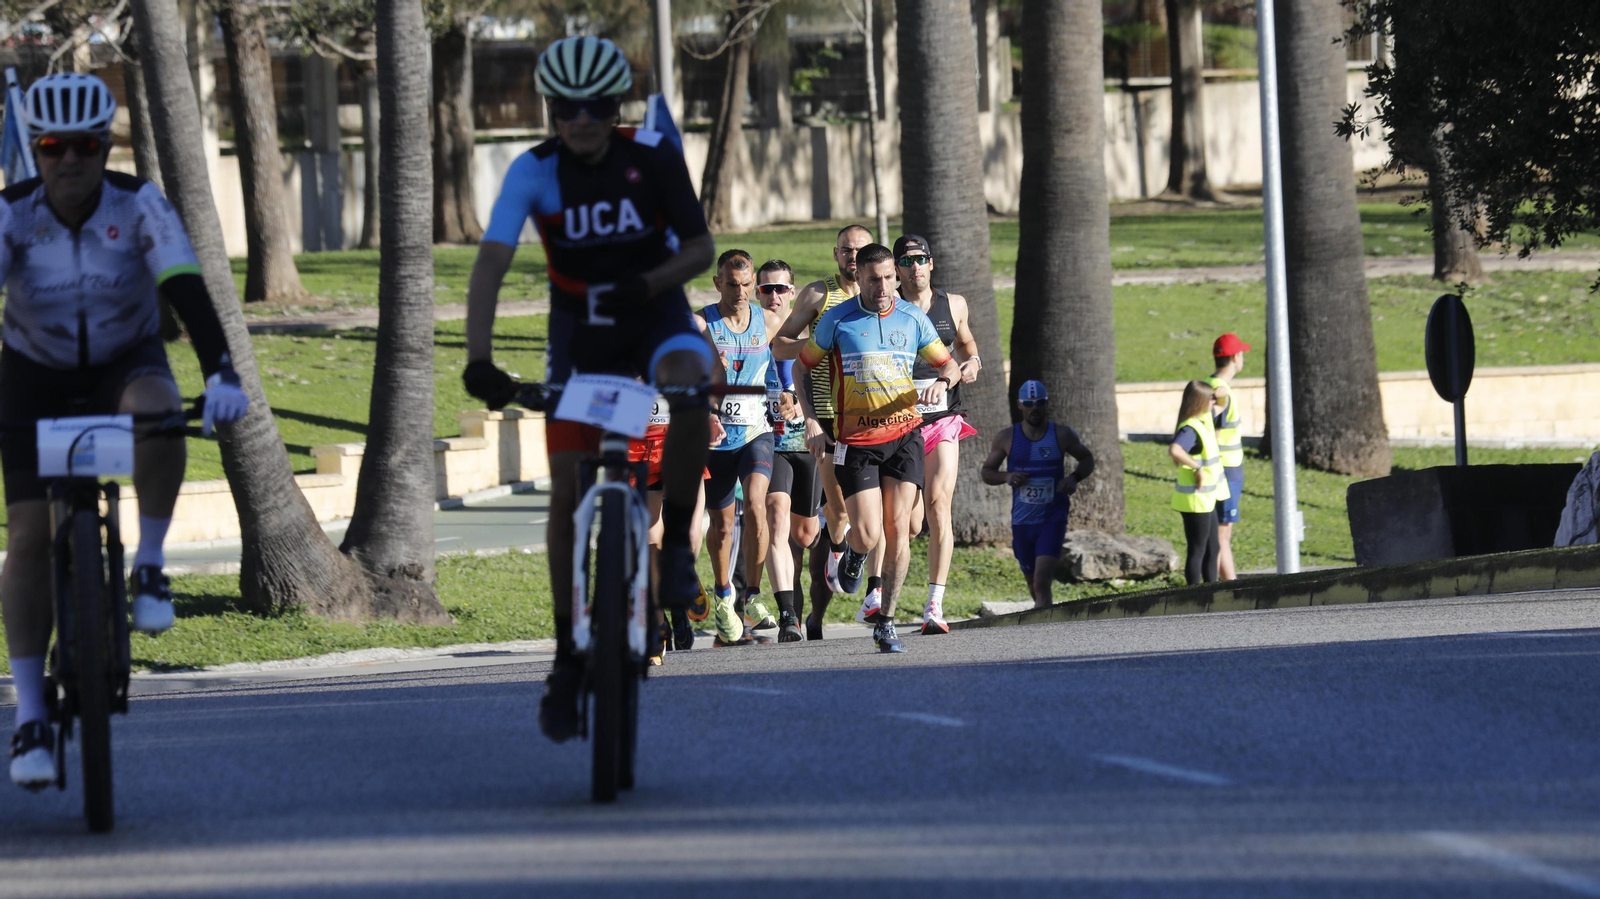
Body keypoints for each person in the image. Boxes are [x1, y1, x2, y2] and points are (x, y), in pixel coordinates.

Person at [464, 36, 717, 742]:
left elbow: (699, 249)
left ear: (616, 110)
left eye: (596, 107)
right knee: (569, 486)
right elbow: (489, 264)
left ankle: (676, 554)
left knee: (693, 381)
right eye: (565, 107)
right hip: (580, 330)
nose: (580, 118)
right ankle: (565, 655)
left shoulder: (653, 159)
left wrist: (646, 283)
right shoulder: (533, 171)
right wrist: (478, 358)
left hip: (655, 309)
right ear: (551, 109)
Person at [2, 73, 249, 788]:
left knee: (157, 407)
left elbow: (184, 285)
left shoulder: (139, 204)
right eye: (53, 147)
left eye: (86, 145)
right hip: (34, 372)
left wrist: (223, 372)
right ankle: (28, 719)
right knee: (25, 539)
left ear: (104, 145)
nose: (70, 161)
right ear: (35, 150)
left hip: (122, 360)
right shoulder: (11, 215)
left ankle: (147, 562)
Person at [796, 244, 960, 653]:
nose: (884, 286)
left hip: (905, 438)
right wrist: (812, 419)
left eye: (890, 277)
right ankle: (853, 553)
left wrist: (944, 380)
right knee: (868, 533)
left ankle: (886, 621)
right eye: (874, 279)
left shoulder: (912, 317)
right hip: (856, 441)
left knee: (900, 528)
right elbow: (802, 366)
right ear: (861, 278)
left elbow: (949, 364)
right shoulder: (837, 319)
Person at [770, 224, 873, 595]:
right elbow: (779, 346)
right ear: (836, 254)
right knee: (840, 508)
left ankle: (856, 557)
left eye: (861, 249)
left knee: (866, 511)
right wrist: (818, 344)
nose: (853, 256)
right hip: (828, 416)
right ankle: (840, 548)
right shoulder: (818, 294)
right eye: (846, 250)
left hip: (870, 416)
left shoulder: (882, 295)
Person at [893, 235, 982, 634]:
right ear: (896, 268)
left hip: (944, 416)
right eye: (907, 261)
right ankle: (884, 590)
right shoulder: (888, 308)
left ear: (932, 264)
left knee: (938, 501)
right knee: (909, 524)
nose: (915, 267)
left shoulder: (955, 304)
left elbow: (964, 341)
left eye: (921, 259)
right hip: (900, 422)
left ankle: (935, 604)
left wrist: (973, 360)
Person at [699, 249, 784, 647]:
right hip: (716, 440)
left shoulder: (766, 320)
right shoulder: (704, 323)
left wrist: (787, 395)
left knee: (756, 504)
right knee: (721, 526)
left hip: (755, 431)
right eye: (731, 285)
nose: (739, 292)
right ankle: (722, 596)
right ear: (718, 284)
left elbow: (795, 349)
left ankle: (752, 595)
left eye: (746, 285)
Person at [979, 381, 1094, 608]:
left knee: (1042, 583)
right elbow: (986, 472)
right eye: (1029, 404)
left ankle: (1045, 632)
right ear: (1020, 405)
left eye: (1039, 403)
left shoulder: (1062, 434)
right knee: (1033, 585)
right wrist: (1006, 477)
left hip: (1052, 519)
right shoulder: (1006, 437)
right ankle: (1043, 621)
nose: (1034, 409)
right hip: (1022, 522)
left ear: (1046, 404)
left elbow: (1087, 458)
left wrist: (1074, 478)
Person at [756, 259, 822, 643]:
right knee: (776, 516)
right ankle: (788, 617)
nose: (775, 295)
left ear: (793, 293)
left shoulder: (811, 334)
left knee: (805, 532)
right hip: (770, 441)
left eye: (781, 288)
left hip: (808, 442)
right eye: (767, 289)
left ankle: (839, 542)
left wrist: (802, 402)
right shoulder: (749, 332)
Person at [1169, 379, 1231, 585]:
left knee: (1213, 548)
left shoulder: (1204, 419)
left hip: (1206, 498)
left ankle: (1211, 591)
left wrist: (1223, 395)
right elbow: (1175, 450)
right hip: (1195, 501)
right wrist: (1196, 468)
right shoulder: (1190, 429)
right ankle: (1194, 595)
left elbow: (1221, 406)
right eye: (1210, 398)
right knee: (1198, 549)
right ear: (1200, 401)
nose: (1214, 401)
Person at [1205, 333, 1249, 580]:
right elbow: (1213, 431)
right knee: (1222, 534)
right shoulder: (1222, 392)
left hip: (1220, 468)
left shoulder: (1208, 385)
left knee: (1218, 533)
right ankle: (1229, 587)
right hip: (1226, 469)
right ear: (1235, 357)